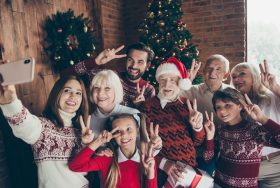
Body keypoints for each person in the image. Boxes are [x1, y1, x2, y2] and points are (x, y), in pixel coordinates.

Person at [0, 75, 89, 188]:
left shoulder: (82, 132)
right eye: (67, 90)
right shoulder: (44, 127)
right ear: (57, 93)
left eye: (78, 93)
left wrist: (93, 146)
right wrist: (10, 102)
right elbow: (24, 124)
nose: (73, 96)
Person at [140, 57, 205, 187]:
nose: (167, 84)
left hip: (189, 172)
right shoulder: (146, 108)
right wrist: (164, 164)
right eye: (163, 80)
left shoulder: (189, 105)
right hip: (161, 172)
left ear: (180, 83)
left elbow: (198, 142)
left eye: (172, 80)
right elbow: (141, 147)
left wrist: (197, 128)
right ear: (158, 82)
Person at [203, 87, 280, 188]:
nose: (222, 111)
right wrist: (209, 137)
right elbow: (208, 159)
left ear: (239, 106)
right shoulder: (220, 130)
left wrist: (262, 118)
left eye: (227, 105)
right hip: (218, 183)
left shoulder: (254, 130)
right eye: (218, 107)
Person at [69, 113, 158, 188]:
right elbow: (75, 166)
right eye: (118, 131)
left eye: (128, 129)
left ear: (137, 131)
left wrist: (150, 174)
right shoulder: (107, 158)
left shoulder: (147, 160)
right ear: (113, 136)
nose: (123, 135)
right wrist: (98, 142)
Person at [231, 61, 280, 187]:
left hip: (275, 165)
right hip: (246, 167)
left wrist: (275, 87)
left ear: (254, 76)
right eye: (234, 77)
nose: (237, 79)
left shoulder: (272, 97)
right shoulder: (234, 105)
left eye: (242, 74)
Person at [62, 42, 156, 108]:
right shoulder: (111, 76)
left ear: (147, 65)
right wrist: (95, 62)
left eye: (140, 62)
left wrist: (141, 106)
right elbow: (66, 74)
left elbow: (147, 122)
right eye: (130, 60)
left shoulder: (148, 90)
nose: (134, 66)